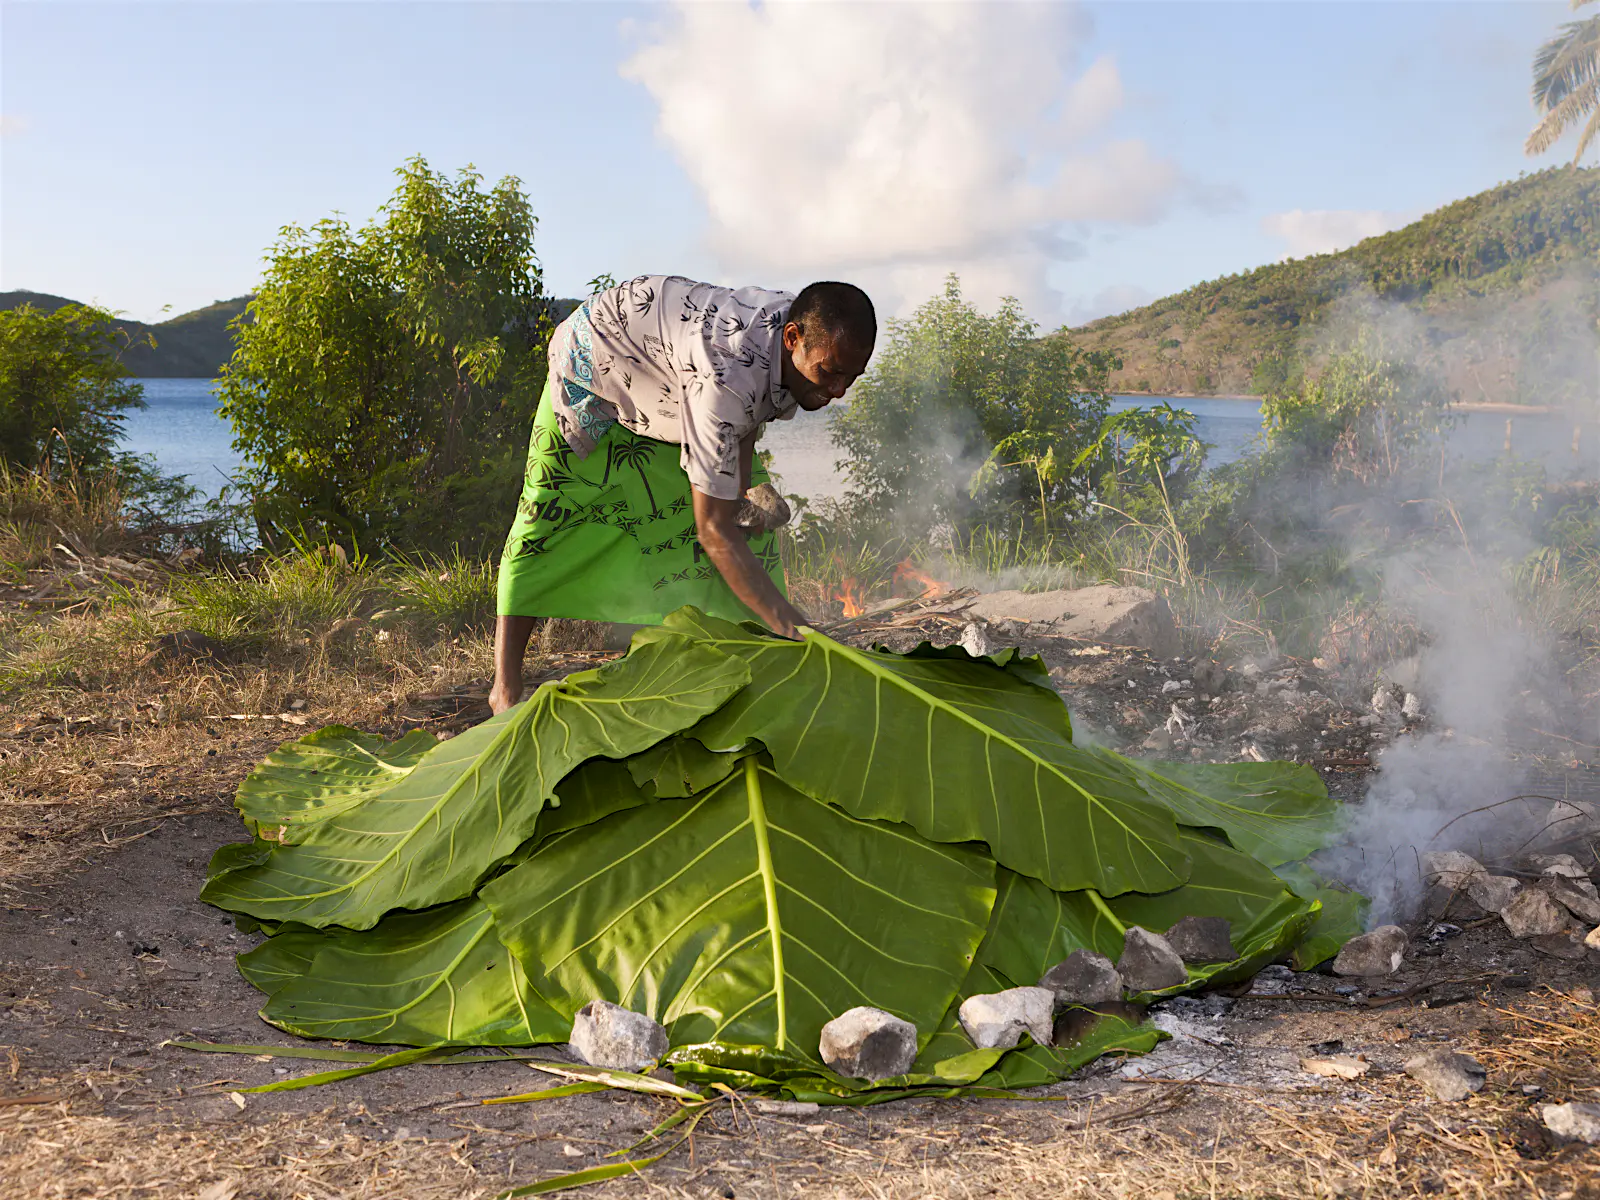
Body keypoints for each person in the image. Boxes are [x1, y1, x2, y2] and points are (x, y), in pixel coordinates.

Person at [488, 275, 876, 713]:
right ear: (793, 338)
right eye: (830, 372)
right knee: (546, 523)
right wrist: (801, 631)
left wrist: (745, 488)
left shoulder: (800, 331)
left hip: (668, 383)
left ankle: (741, 657)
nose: (839, 390)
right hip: (593, 362)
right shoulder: (724, 379)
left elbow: (751, 411)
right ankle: (505, 689)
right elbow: (713, 531)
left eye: (852, 376)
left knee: (746, 530)